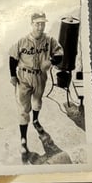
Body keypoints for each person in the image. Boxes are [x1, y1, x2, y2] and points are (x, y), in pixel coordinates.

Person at [9, 11, 63, 160]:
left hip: (40, 76)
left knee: (37, 102)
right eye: (37, 23)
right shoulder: (22, 41)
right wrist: (13, 75)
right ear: (32, 24)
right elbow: (13, 58)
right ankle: (23, 139)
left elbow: (60, 55)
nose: (40, 27)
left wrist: (51, 61)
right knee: (23, 109)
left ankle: (36, 120)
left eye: (42, 23)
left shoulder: (49, 40)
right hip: (24, 77)